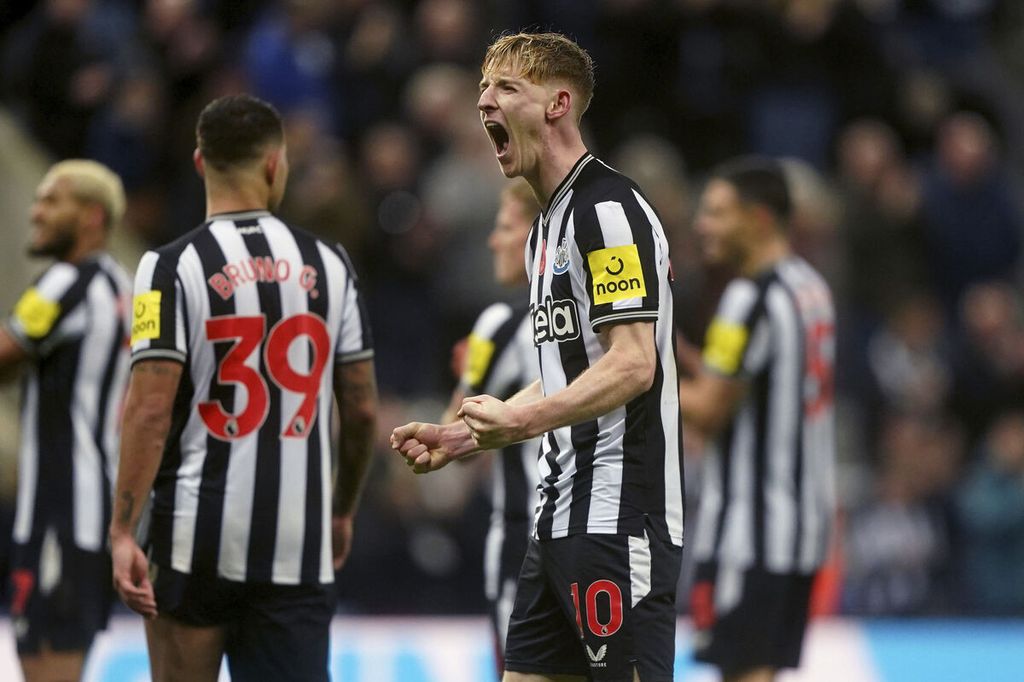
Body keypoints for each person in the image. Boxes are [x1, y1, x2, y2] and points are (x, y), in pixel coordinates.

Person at [392, 32, 684, 682]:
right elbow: (566, 372)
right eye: (481, 90)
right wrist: (464, 436)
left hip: (618, 517)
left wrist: (522, 425)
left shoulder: (607, 210)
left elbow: (634, 363)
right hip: (557, 516)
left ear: (556, 104)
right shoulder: (545, 228)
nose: (484, 103)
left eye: (504, 89)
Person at [108, 94, 377, 682]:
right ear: (275, 165)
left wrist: (123, 529)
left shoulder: (168, 267)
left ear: (200, 162)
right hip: (296, 541)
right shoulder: (332, 265)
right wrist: (340, 509)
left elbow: (149, 409)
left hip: (193, 540)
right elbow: (359, 411)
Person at [678, 157, 836, 682]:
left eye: (718, 213)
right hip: (802, 527)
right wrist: (681, 357)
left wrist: (636, 377)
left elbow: (706, 412)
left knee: (742, 673)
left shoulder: (746, 298)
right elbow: (752, 381)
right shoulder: (810, 289)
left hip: (747, 530)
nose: (703, 225)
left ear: (760, 219)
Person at [0, 160, 131, 682]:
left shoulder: (64, 282)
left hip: (56, 510)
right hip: (90, 512)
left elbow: (6, 354)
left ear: (92, 215)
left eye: (52, 201)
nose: (36, 213)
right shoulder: (120, 285)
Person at [444, 179, 541, 676]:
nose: (493, 241)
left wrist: (466, 379)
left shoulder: (502, 323)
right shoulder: (607, 322)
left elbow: (453, 437)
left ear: (536, 235)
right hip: (607, 535)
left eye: (504, 227)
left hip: (524, 543)